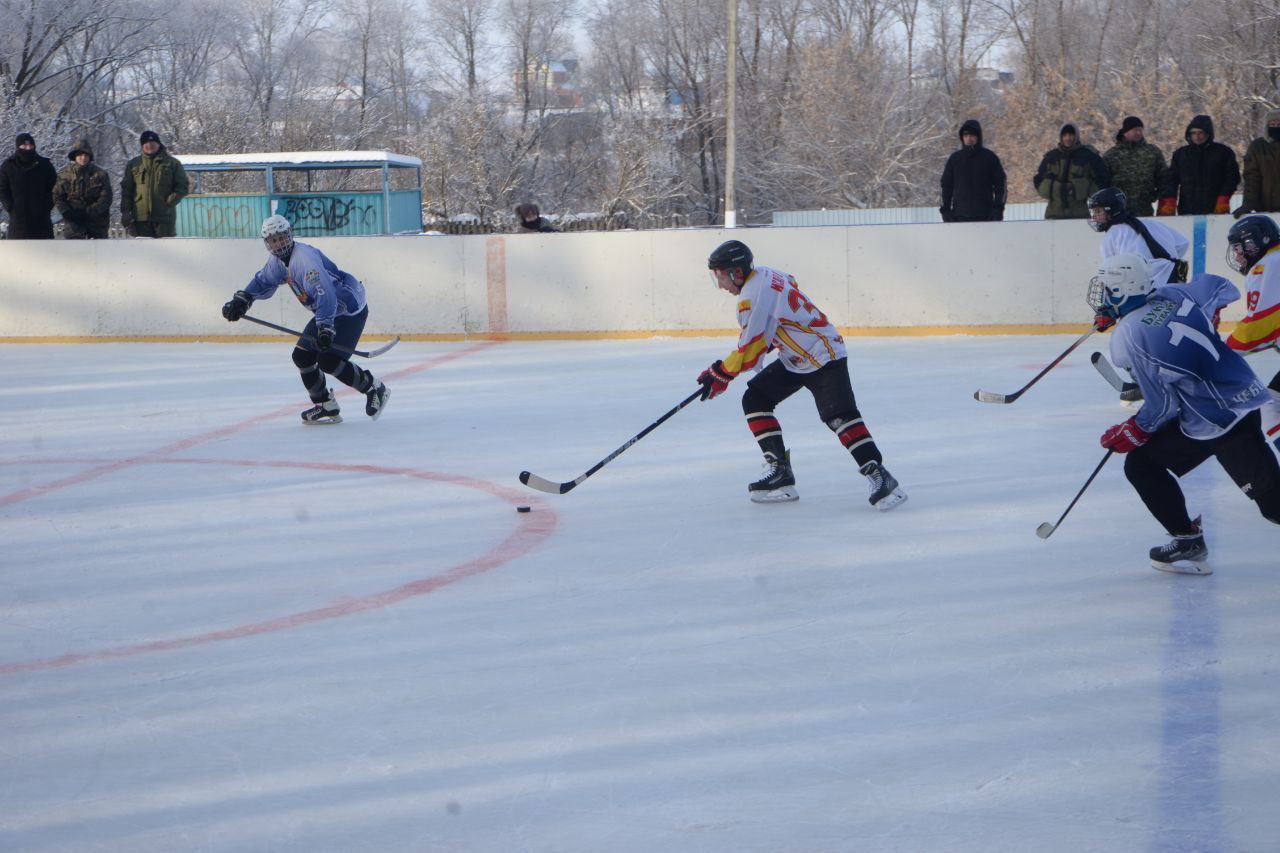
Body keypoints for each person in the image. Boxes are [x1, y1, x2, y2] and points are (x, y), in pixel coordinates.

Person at [1089, 252, 1280, 574]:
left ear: (1122, 290)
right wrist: (1209, 315)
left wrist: (1137, 428)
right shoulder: (1173, 293)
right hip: (1217, 408)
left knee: (1274, 506)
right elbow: (1221, 287)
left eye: (1108, 290)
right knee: (1143, 464)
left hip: (1222, 418)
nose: (1104, 295)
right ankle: (1187, 540)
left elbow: (1163, 405)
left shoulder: (1128, 336)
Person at [697, 240, 907, 510]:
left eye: (721, 277)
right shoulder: (766, 273)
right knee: (756, 398)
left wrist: (720, 374)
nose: (721, 285)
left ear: (736, 273)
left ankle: (880, 476)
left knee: (839, 416)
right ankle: (781, 474)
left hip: (822, 355)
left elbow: (751, 349)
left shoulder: (750, 297)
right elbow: (788, 293)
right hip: (797, 358)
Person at [221, 215, 390, 425]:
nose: (279, 243)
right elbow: (263, 280)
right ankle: (325, 405)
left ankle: (374, 388)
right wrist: (243, 299)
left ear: (290, 235)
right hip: (327, 310)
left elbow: (326, 295)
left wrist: (326, 329)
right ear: (267, 243)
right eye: (273, 240)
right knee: (302, 356)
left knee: (328, 360)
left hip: (347, 309)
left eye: (282, 237)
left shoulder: (305, 261)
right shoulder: (278, 262)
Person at [1087, 187, 1191, 402]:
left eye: (1098, 211)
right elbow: (1182, 244)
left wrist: (1109, 308)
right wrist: (1161, 265)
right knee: (1164, 336)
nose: (1095, 217)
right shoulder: (1148, 224)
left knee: (1130, 337)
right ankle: (1173, 378)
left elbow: (1114, 276)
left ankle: (1145, 382)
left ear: (1111, 210)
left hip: (1146, 292)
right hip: (1175, 286)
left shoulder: (1114, 235)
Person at [1223, 214, 1280, 453]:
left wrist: (1220, 354)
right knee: (1272, 406)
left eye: (1239, 248)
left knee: (1272, 408)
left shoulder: (1268, 264)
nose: (1237, 255)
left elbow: (1261, 326)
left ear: (1258, 241)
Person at [1157, 115, 1239, 216]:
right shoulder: (1181, 154)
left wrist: (1224, 198)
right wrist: (1169, 201)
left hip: (1216, 209)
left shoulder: (1223, 152)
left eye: (1201, 133)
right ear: (1189, 134)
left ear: (1208, 133)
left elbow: (1232, 177)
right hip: (1187, 209)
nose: (1197, 136)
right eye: (1193, 133)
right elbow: (1171, 180)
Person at [1033, 122, 1110, 219]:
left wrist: (1086, 189)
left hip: (1079, 215)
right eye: (1064, 135)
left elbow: (1102, 178)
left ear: (1076, 136)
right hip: (1053, 216)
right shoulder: (1051, 157)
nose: (1068, 138)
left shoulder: (1088, 155)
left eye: (1071, 135)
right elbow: (1038, 180)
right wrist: (1052, 188)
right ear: (1061, 136)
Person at [120, 130, 189, 237]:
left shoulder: (172, 163)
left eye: (153, 142)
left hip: (164, 218)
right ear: (142, 146)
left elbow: (183, 186)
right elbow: (127, 190)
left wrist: (169, 201)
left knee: (166, 250)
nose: (150, 145)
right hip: (140, 219)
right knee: (143, 252)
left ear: (159, 144)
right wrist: (125, 211)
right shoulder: (133, 164)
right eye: (146, 143)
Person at [939, 119, 1006, 223]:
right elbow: (946, 186)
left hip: (986, 217)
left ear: (978, 137)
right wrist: (945, 210)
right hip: (959, 217)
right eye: (966, 136)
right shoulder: (955, 159)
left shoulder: (990, 158)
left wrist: (998, 208)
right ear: (962, 138)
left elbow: (1001, 185)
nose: (969, 139)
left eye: (972, 136)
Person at [1101, 116, 1165, 217]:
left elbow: (1164, 177)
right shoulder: (1111, 155)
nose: (1139, 133)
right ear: (1126, 132)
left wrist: (1155, 195)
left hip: (1145, 209)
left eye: (1140, 130)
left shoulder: (1152, 152)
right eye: (1135, 130)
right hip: (1119, 211)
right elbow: (1103, 183)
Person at [0, 133, 57, 239]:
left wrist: (46, 207)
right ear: (18, 147)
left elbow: (54, 188)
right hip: (18, 219)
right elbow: (3, 189)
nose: (28, 148)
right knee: (19, 253)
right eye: (24, 146)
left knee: (45, 253)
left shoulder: (45, 165)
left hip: (41, 219)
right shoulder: (8, 166)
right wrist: (11, 207)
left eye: (30, 145)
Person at [52, 139, 112, 239]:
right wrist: (67, 212)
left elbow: (106, 198)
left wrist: (89, 212)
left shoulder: (101, 174)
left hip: (97, 224)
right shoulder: (64, 175)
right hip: (73, 223)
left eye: (86, 155)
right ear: (75, 156)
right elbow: (57, 196)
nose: (83, 158)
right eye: (80, 155)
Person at [1232, 108, 1280, 218]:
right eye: (1273, 124)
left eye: (1279, 124)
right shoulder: (1257, 147)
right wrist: (1248, 204)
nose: (1276, 127)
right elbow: (1252, 178)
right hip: (1265, 209)